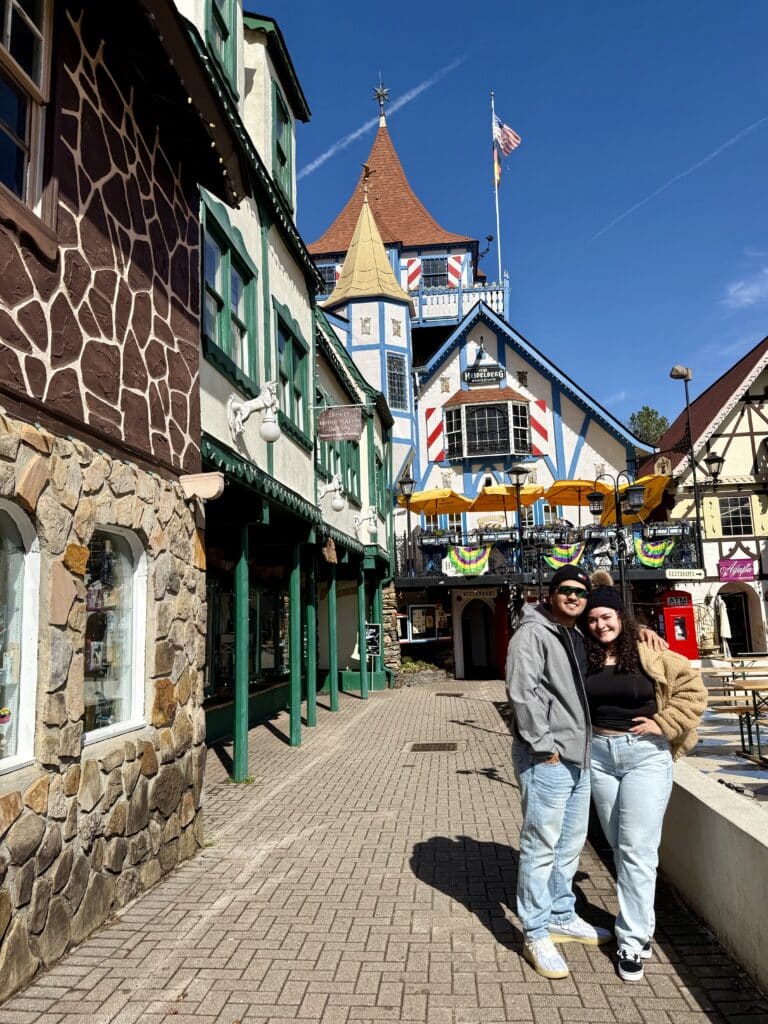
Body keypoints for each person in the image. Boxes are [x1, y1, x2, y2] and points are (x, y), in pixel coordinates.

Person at [583, 585, 706, 982]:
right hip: (599, 756)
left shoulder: (652, 652)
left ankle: (632, 939)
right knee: (622, 845)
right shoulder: (584, 654)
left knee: (636, 848)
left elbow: (693, 692)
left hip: (645, 757)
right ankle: (643, 925)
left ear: (622, 617)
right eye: (593, 618)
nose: (600, 624)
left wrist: (663, 724)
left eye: (607, 616)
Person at [505, 565, 611, 980]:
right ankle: (534, 930)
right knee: (540, 846)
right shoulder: (532, 633)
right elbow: (521, 691)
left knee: (569, 844)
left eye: (580, 592)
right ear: (550, 594)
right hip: (547, 758)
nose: (573, 597)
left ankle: (561, 913)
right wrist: (543, 745)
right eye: (565, 590)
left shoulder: (577, 634)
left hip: (579, 756)